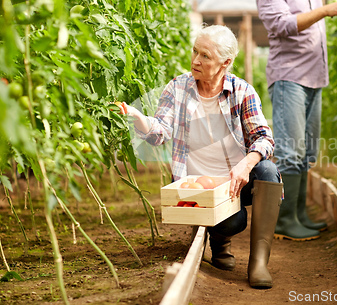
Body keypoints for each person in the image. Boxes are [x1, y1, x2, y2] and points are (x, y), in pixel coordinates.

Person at [117, 25, 282, 289]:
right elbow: (161, 131)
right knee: (234, 222)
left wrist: (245, 164)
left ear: (225, 63)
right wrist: (140, 119)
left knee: (268, 171)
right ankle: (219, 241)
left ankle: (258, 263)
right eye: (195, 51)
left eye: (205, 55)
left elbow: (264, 138)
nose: (195, 60)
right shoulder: (178, 88)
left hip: (236, 182)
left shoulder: (242, 92)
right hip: (199, 188)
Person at [256, 0, 337, 241]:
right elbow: (282, 25)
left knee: (306, 151)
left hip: (314, 77)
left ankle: (298, 215)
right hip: (290, 76)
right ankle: (284, 220)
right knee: (291, 150)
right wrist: (325, 10)